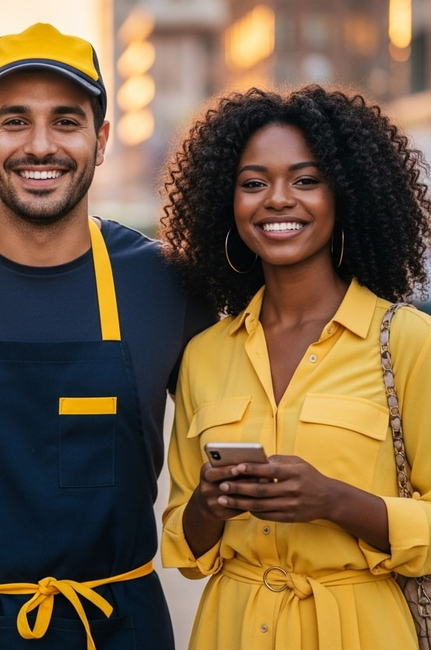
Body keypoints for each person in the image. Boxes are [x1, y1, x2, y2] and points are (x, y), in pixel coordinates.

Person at [0, 22, 212, 650]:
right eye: (14, 121)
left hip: (115, 625)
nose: (40, 146)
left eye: (65, 121)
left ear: (102, 139)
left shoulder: (165, 283)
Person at [158, 85, 431, 649]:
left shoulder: (407, 341)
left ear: (345, 197)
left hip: (362, 631)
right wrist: (210, 503)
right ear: (227, 204)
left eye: (306, 181)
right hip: (230, 630)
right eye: (253, 183)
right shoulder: (205, 354)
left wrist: (337, 501)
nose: (278, 199)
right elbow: (185, 548)